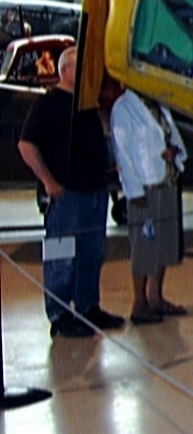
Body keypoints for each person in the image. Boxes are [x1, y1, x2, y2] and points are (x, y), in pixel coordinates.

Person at [17, 48, 123, 338]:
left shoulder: (88, 104)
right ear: (65, 72)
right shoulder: (49, 104)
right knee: (61, 255)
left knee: (92, 253)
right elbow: (26, 145)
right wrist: (48, 181)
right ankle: (59, 314)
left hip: (94, 191)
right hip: (66, 196)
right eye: (82, 68)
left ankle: (89, 306)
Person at [110, 88, 189, 324]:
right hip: (145, 186)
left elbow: (172, 135)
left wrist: (174, 151)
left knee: (164, 243)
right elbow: (121, 153)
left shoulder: (159, 101)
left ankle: (156, 297)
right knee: (144, 246)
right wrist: (133, 191)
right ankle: (139, 302)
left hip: (167, 179)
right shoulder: (123, 107)